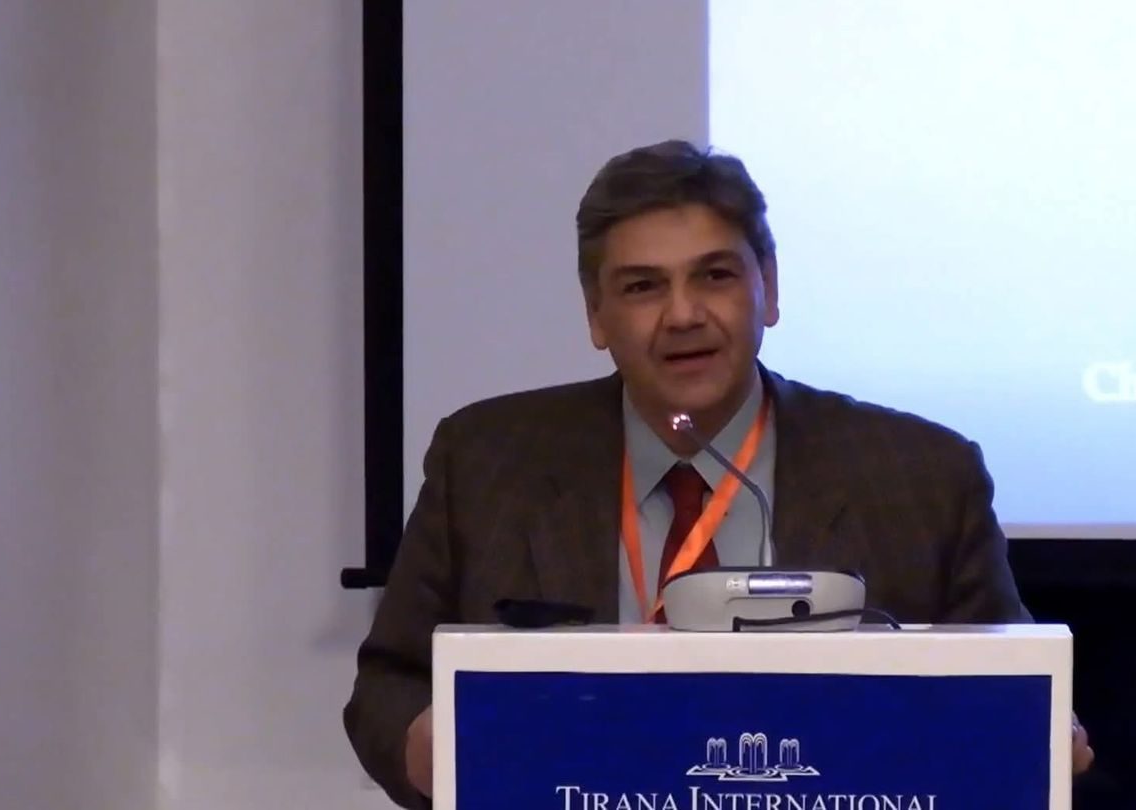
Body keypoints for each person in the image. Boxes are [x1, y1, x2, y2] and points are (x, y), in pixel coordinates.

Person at [342, 139, 1094, 807]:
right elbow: (388, 683)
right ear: (596, 315)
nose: (683, 315)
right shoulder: (488, 462)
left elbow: (1004, 680)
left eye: (714, 276)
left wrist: (1036, 732)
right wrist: (426, 744)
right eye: (643, 287)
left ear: (768, 288)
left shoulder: (921, 478)